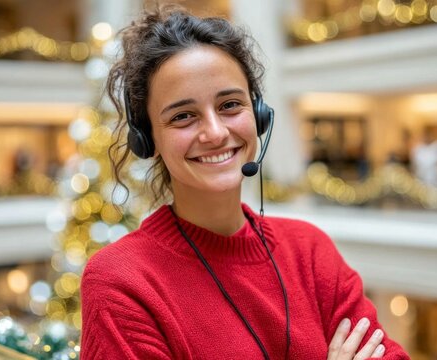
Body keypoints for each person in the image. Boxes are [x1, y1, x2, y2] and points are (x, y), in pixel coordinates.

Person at [80, 4, 410, 360]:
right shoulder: (122, 282)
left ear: (259, 115)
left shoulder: (310, 252)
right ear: (147, 139)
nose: (215, 132)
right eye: (183, 116)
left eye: (229, 105)